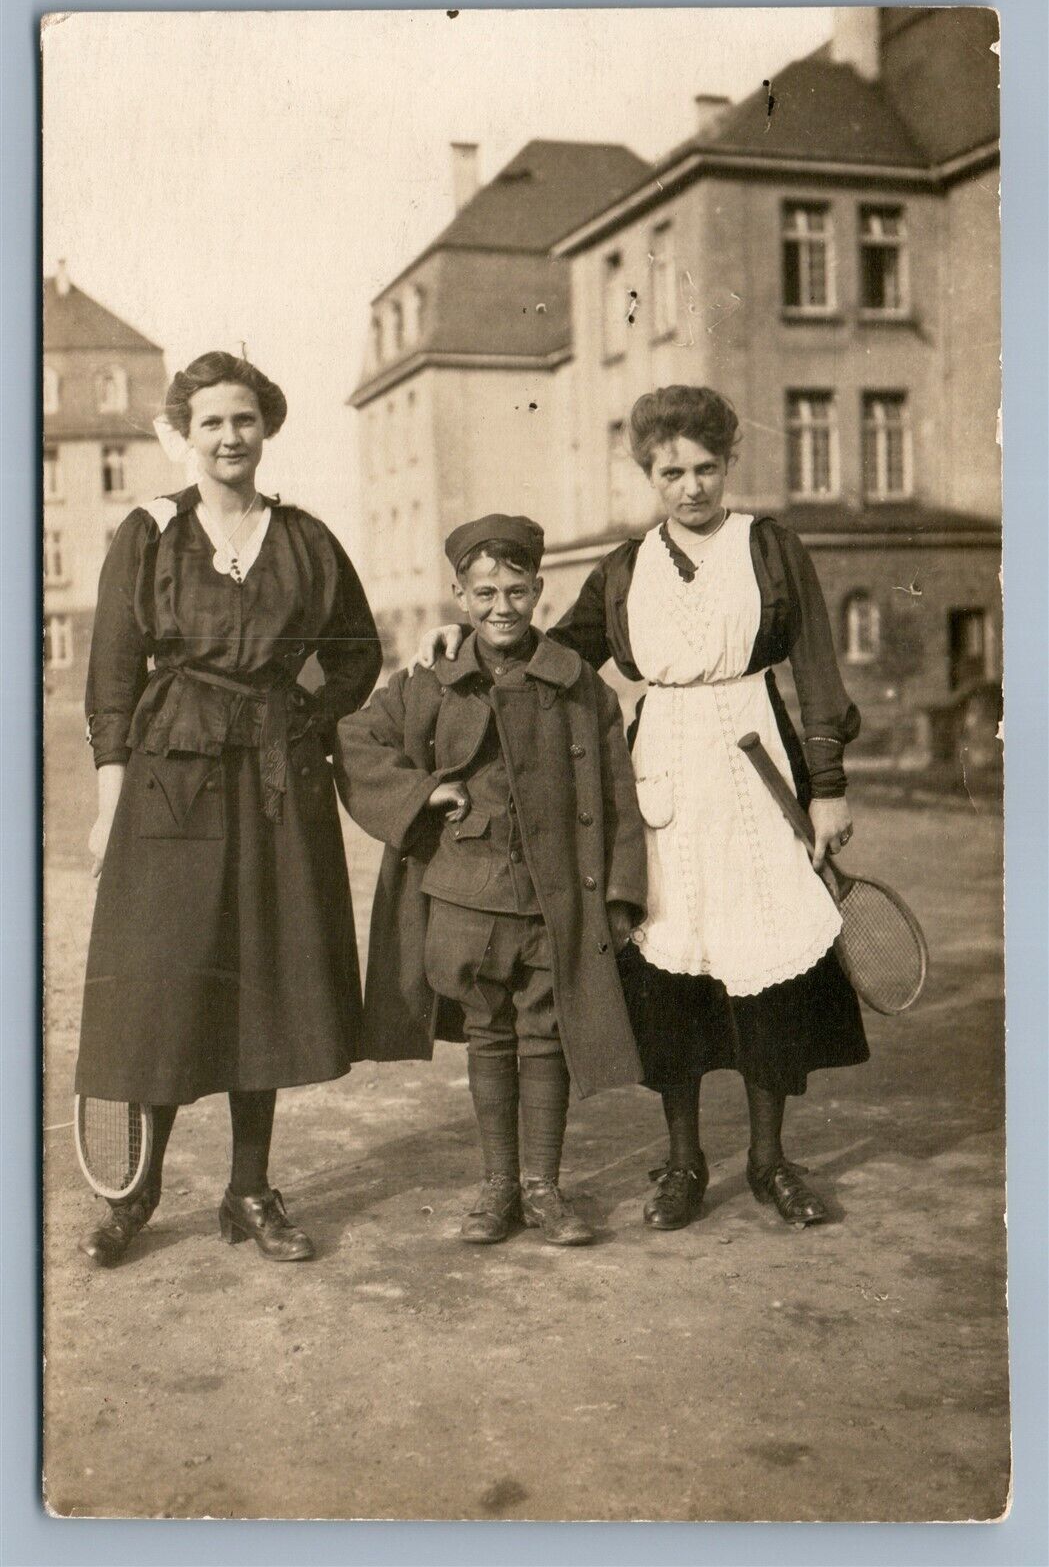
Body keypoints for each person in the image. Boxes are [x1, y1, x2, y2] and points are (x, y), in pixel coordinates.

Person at [416, 387, 869, 1232]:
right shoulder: (624, 567)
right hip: (660, 777)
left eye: (703, 468)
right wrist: (462, 644)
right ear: (648, 475)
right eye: (671, 473)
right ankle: (683, 1161)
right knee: (669, 971)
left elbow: (815, 672)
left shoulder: (768, 547)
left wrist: (829, 784)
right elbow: (556, 654)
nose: (690, 487)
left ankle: (769, 1160)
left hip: (756, 766)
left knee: (766, 961)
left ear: (727, 464)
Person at [76, 351, 382, 1267]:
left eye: (244, 419)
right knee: (168, 979)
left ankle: (249, 1189)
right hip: (172, 778)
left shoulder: (306, 539)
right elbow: (112, 675)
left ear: (267, 427)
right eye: (210, 422)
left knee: (267, 975)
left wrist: (305, 713)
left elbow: (357, 653)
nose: (229, 437)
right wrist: (107, 801)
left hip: (277, 780)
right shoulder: (150, 533)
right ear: (185, 432)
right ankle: (140, 1188)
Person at [337, 514, 646, 1246]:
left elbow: (617, 794)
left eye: (515, 591)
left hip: (554, 897)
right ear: (458, 595)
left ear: (539, 590)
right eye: (483, 593)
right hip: (464, 896)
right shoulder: (433, 680)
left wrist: (621, 893)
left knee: (546, 1036)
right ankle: (496, 1190)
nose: (500, 607)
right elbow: (354, 739)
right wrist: (423, 794)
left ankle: (542, 1189)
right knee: (488, 1033)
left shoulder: (579, 688)